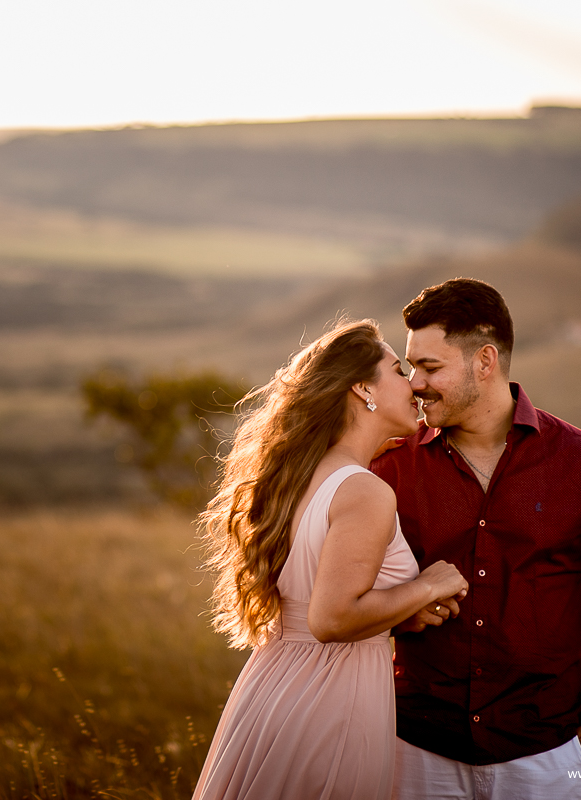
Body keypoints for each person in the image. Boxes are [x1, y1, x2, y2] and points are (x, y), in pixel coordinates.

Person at [370, 278, 581, 799]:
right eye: (411, 367)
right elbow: (345, 598)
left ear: (485, 361)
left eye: (430, 367)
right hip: (416, 755)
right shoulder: (389, 468)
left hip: (549, 761)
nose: (415, 384)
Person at [193, 319, 469, 800]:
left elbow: (319, 598)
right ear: (362, 388)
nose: (414, 386)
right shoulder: (364, 490)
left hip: (274, 684)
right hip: (332, 698)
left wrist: (400, 610)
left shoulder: (299, 476)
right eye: (398, 370)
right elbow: (332, 617)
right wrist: (428, 586)